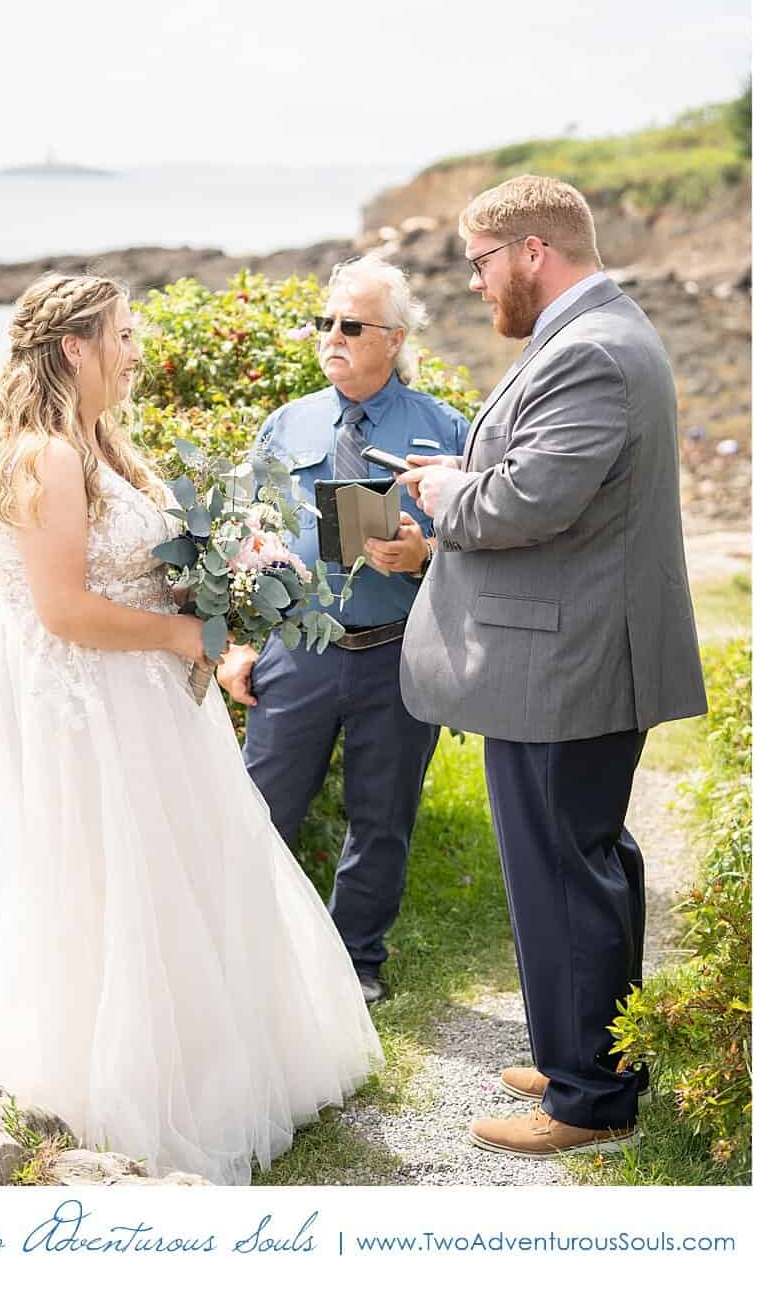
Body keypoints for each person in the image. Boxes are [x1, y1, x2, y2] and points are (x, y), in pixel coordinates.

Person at [0, 273, 382, 1185]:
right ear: (75, 347)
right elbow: (65, 610)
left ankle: (204, 1062)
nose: (138, 346)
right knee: (107, 877)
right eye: (124, 331)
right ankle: (122, 1080)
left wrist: (223, 583)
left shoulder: (97, 441)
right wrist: (187, 630)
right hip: (82, 698)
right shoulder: (45, 456)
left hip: (143, 690)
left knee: (182, 870)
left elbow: (137, 566)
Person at [398, 175, 706, 1159]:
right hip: (569, 653)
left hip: (563, 662)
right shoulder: (591, 337)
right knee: (589, 864)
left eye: (481, 262)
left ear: (532, 250)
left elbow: (527, 500)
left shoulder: (592, 353)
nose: (476, 282)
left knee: (561, 874)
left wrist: (447, 489)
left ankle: (584, 1101)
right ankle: (594, 1057)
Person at [217, 258, 469, 1004]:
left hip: (397, 652)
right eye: (325, 323)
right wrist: (233, 643)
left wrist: (424, 554)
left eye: (350, 325)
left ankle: (356, 960)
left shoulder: (445, 429)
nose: (332, 336)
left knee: (382, 817)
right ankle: (244, 952)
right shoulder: (285, 423)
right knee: (260, 807)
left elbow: (485, 546)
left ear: (392, 339)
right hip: (299, 649)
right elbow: (237, 538)